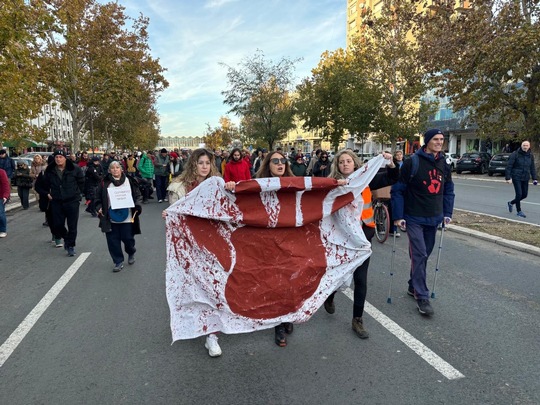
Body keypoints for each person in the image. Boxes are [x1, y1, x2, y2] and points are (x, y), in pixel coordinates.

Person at [163, 148, 234, 357]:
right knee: (196, 288)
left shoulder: (218, 185)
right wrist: (169, 213)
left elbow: (230, 209)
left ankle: (212, 336)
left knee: (215, 288)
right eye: (200, 162)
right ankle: (195, 323)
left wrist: (230, 189)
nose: (204, 167)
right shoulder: (179, 187)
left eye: (207, 163)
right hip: (190, 247)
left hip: (214, 245)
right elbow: (177, 216)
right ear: (193, 164)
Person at [324, 150, 398, 338]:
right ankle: (330, 295)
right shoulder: (333, 184)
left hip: (364, 235)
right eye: (342, 162)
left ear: (355, 164)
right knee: (339, 274)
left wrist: (389, 162)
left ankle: (357, 319)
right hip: (342, 238)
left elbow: (392, 177)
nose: (346, 164)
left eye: (349, 161)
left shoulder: (366, 180)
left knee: (360, 278)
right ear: (337, 165)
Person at [391, 129, 455, 316]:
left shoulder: (444, 163)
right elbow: (398, 190)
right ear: (427, 141)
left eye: (441, 140)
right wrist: (398, 216)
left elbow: (449, 189)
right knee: (419, 253)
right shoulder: (412, 162)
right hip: (413, 217)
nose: (439, 142)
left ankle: (413, 285)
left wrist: (447, 212)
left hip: (434, 217)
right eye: (435, 139)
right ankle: (422, 296)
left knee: (424, 254)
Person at [35, 150, 85, 256]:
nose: (58, 159)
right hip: (56, 201)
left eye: (60, 157)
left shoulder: (74, 168)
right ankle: (67, 239)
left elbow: (82, 182)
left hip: (72, 201)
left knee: (72, 226)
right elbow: (40, 185)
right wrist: (47, 194)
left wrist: (78, 195)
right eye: (56, 157)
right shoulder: (49, 170)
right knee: (57, 224)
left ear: (65, 158)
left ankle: (70, 246)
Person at [95, 161, 143, 272]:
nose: (115, 169)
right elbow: (97, 198)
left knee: (128, 239)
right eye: (113, 168)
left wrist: (138, 206)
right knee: (113, 241)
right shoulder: (104, 182)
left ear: (122, 169)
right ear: (109, 170)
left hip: (127, 217)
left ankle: (131, 252)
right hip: (110, 217)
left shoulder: (129, 181)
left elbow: (137, 195)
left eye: (117, 167)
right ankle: (118, 261)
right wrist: (99, 208)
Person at [505, 140, 538, 218]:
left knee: (524, 195)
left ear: (529, 146)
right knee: (519, 194)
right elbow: (509, 166)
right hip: (516, 176)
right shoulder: (515, 154)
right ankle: (519, 211)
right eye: (524, 145)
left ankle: (511, 203)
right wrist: (508, 177)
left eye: (527, 145)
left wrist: (534, 178)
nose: (525, 147)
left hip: (525, 177)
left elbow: (532, 167)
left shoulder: (530, 155)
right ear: (521, 146)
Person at [0, 168, 10, 238]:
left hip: (0, 196)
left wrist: (5, 196)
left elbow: (5, 184)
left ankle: (3, 230)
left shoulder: (1, 172)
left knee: (0, 213)